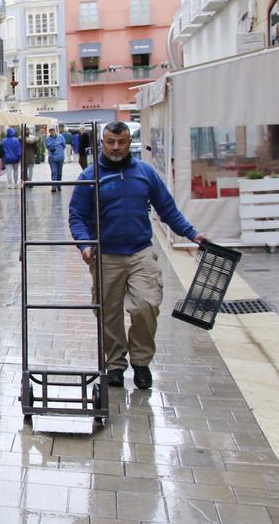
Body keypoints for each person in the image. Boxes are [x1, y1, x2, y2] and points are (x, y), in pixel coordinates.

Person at [69, 122, 207, 390]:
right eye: (110, 142)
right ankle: (115, 365)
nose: (116, 147)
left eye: (121, 142)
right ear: (102, 142)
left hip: (140, 252)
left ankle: (141, 362)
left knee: (146, 305)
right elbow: (77, 216)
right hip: (105, 255)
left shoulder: (145, 173)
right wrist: (84, 245)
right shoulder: (90, 176)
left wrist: (191, 234)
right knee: (108, 314)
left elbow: (167, 209)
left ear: (128, 140)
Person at [45, 127, 68, 192]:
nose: (52, 132)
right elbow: (47, 146)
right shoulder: (47, 138)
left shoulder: (61, 137)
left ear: (55, 131)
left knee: (59, 173)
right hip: (52, 158)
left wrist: (59, 149)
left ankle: (59, 185)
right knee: (54, 172)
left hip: (60, 157)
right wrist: (50, 148)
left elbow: (64, 146)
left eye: (53, 130)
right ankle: (54, 186)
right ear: (49, 132)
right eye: (50, 131)